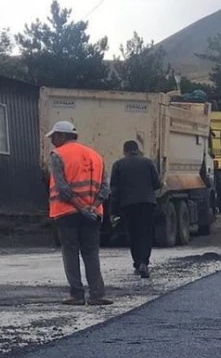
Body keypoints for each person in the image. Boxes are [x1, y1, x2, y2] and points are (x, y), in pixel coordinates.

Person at [47, 121, 113, 306]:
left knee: (71, 252)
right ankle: (97, 294)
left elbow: (63, 188)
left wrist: (80, 207)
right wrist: (92, 207)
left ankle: (76, 295)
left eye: (54, 136)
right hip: (93, 213)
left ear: (62, 136)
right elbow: (105, 188)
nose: (52, 140)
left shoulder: (58, 155)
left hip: (67, 212)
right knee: (91, 253)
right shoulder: (96, 156)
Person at [110, 140, 161, 279]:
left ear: (124, 151)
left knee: (133, 234)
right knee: (146, 233)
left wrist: (113, 210)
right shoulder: (148, 162)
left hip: (128, 205)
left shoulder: (118, 165)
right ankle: (144, 262)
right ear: (137, 150)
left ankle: (137, 262)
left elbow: (114, 189)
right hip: (147, 203)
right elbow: (157, 183)